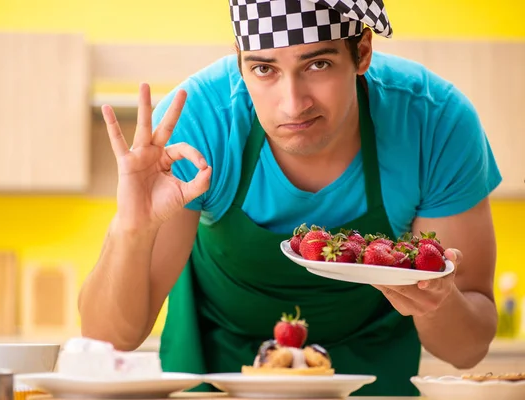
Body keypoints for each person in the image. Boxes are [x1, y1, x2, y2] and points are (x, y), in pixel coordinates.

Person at [78, 0, 502, 396]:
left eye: (317, 63)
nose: (292, 104)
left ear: (363, 52)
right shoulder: (198, 122)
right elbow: (112, 338)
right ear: (240, 63)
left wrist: (438, 303)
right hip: (220, 375)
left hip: (369, 380)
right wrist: (131, 229)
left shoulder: (434, 122)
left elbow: (466, 350)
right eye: (264, 69)